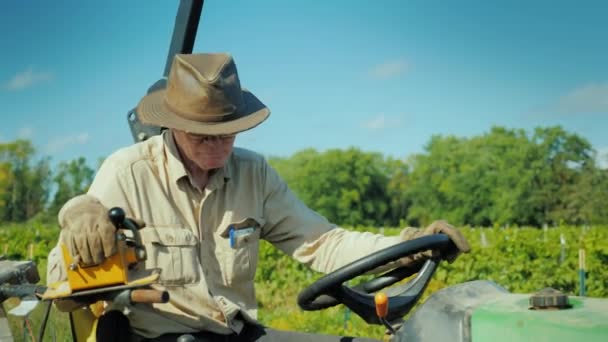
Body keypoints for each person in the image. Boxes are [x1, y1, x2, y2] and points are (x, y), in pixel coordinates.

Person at [47, 53, 470, 341]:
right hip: (162, 335)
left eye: (227, 134)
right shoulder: (128, 172)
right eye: (202, 135)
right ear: (173, 124)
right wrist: (79, 217)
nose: (217, 147)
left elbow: (324, 243)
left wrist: (406, 247)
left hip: (237, 331)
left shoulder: (254, 173)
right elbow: (61, 279)